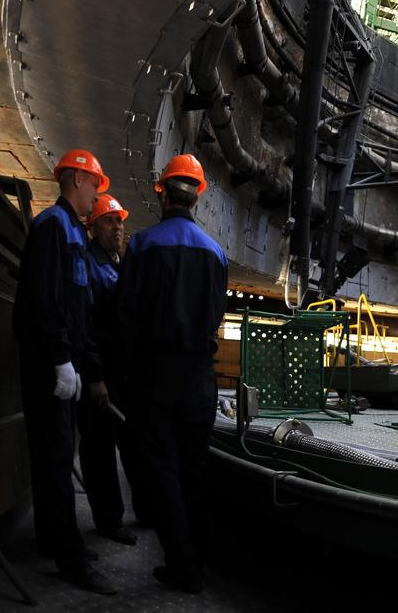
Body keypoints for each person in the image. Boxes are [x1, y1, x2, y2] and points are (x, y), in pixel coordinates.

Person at [117, 154, 227, 593]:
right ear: (198, 196)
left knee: (161, 471)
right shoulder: (216, 252)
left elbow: (125, 318)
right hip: (200, 376)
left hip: (156, 375)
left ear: (162, 193)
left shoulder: (143, 246)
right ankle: (198, 559)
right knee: (192, 471)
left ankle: (183, 565)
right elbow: (216, 315)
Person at [12, 148, 117, 595]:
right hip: (49, 367)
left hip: (62, 365)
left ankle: (53, 540)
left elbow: (72, 303)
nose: (97, 194)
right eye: (94, 184)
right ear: (76, 179)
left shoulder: (70, 230)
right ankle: (70, 559)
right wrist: (59, 358)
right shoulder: (53, 226)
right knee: (56, 461)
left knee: (54, 458)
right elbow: (45, 298)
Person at [77, 192, 149, 544]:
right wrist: (95, 377)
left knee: (133, 443)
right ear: (94, 228)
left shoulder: (120, 264)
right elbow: (86, 326)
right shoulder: (89, 266)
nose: (117, 227)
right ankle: (109, 520)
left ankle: (145, 511)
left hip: (123, 375)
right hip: (101, 377)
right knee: (99, 449)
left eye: (119, 221)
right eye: (109, 221)